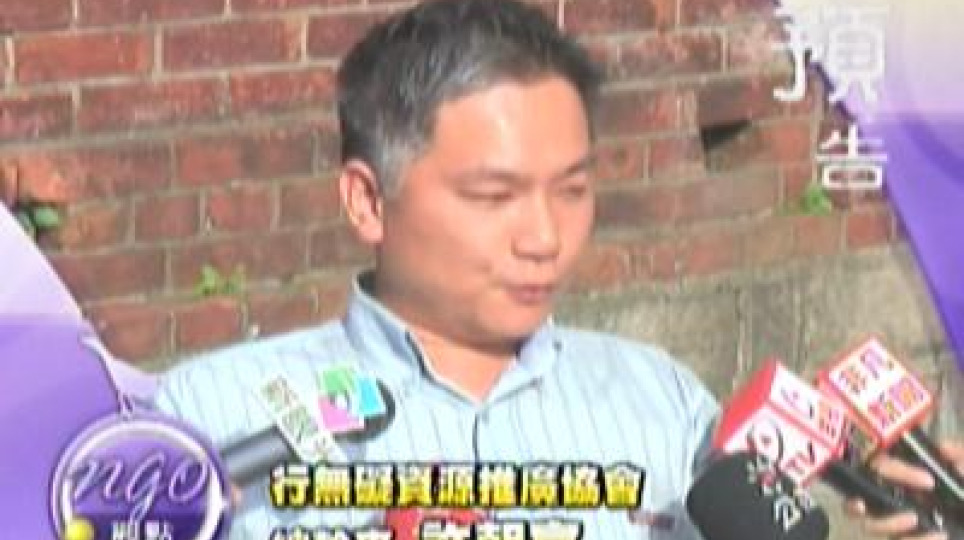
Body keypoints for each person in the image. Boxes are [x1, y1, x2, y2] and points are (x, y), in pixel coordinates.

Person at [153, 1, 963, 539]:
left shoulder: (662, 402)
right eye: (494, 196)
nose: (544, 236)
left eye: (572, 190)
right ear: (368, 201)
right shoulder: (209, 418)